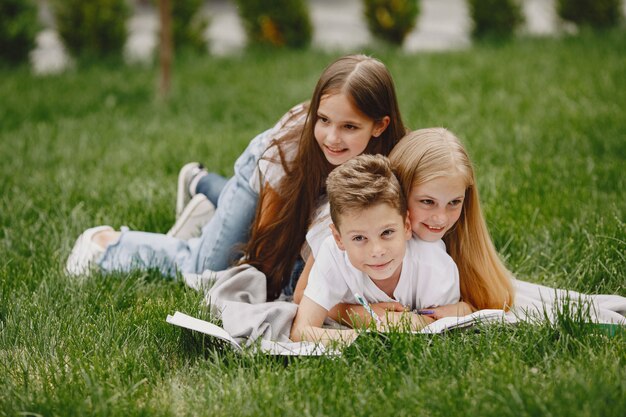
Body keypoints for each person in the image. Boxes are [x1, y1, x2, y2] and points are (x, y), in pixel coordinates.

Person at [66, 54, 407, 300]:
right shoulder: (289, 151)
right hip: (266, 180)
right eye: (324, 120)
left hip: (312, 197)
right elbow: (266, 244)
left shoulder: (395, 163)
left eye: (349, 127)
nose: (332, 137)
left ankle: (201, 185)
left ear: (380, 126)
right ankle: (106, 244)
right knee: (207, 272)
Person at [293, 127, 515, 325]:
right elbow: (300, 295)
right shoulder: (351, 223)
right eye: (427, 202)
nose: (440, 219)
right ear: (399, 192)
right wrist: (359, 313)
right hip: (300, 270)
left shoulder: (435, 253)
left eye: (454, 202)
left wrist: (464, 309)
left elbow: (485, 300)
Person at [290, 154, 461, 345]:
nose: (377, 251)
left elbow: (445, 326)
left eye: (387, 232)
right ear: (339, 238)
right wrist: (367, 337)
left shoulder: (434, 264)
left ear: (406, 226)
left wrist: (415, 321)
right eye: (359, 238)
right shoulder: (332, 253)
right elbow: (300, 331)